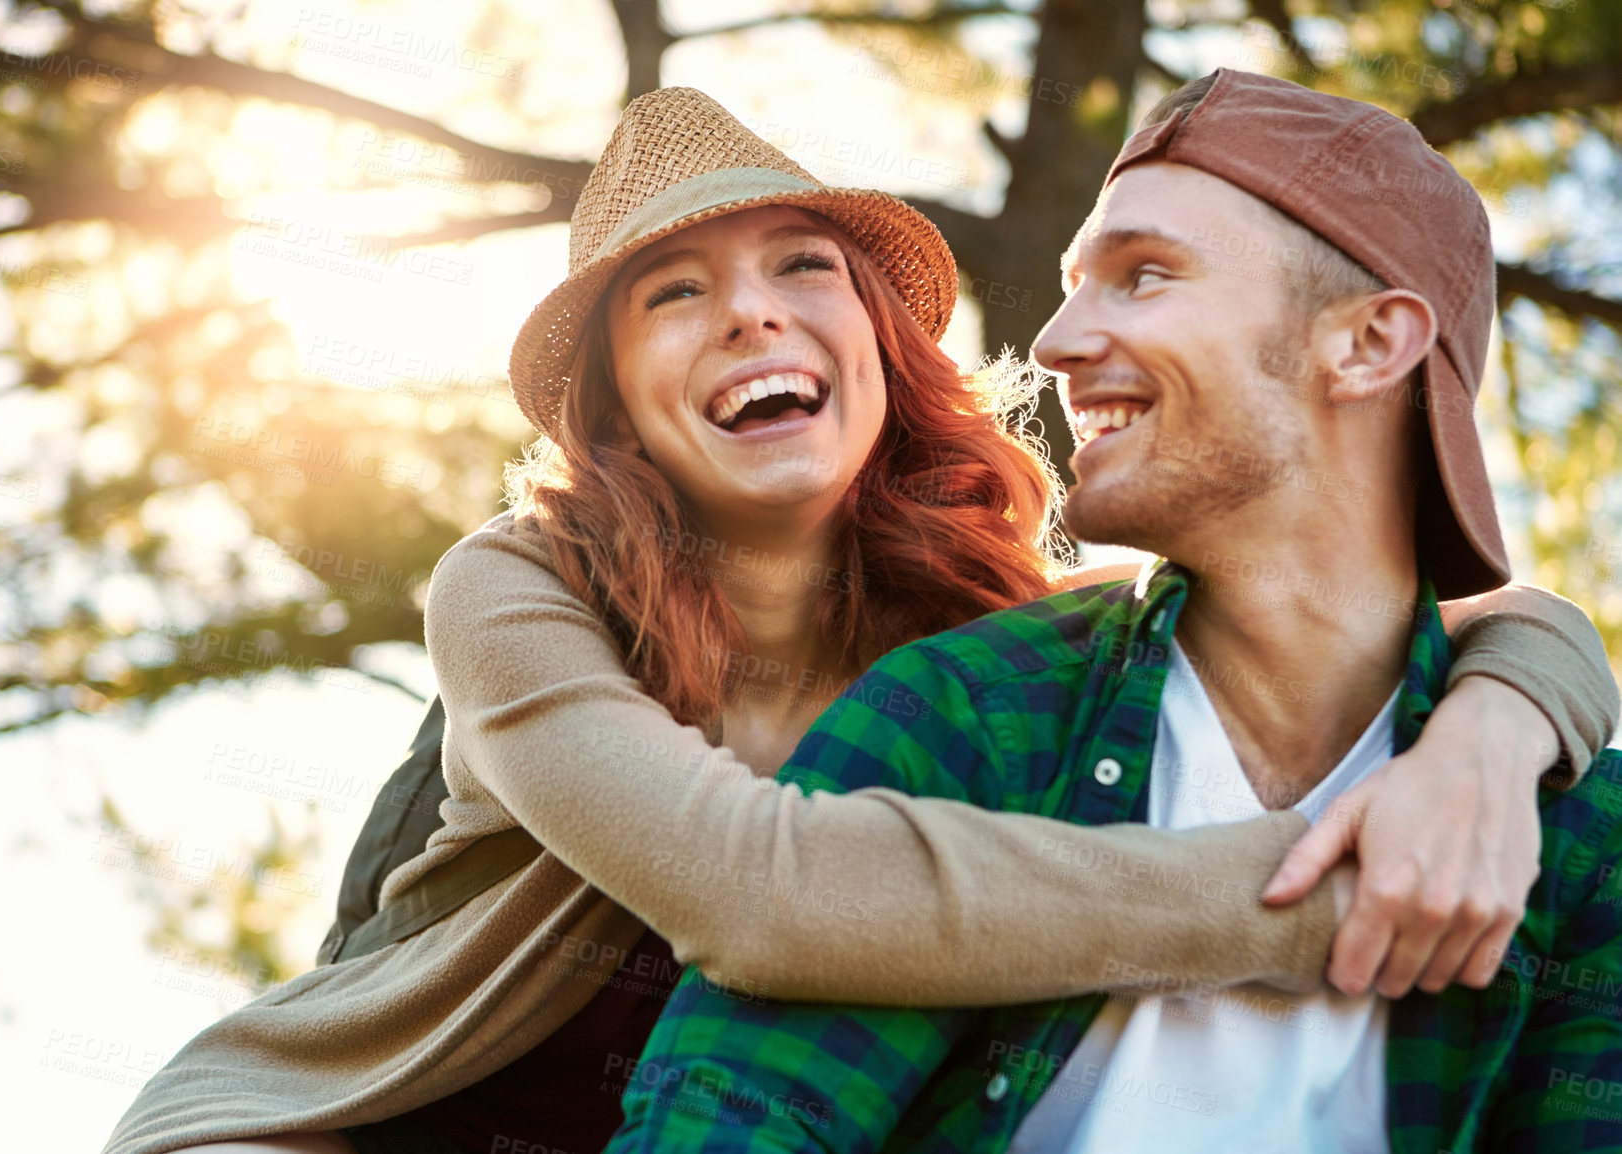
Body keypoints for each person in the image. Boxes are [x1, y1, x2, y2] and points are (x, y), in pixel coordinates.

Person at [103, 87, 1618, 1154]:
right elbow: (754, 893)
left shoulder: (1000, 638)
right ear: (620, 397)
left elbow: (1481, 612)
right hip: (365, 1123)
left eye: (798, 266)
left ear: (876, 343)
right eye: (672, 295)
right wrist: (1344, 901)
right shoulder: (519, 586)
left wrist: (1488, 741)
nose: (750, 312)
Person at [607, 70, 1622, 1153]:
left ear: (1369, 344)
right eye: (1073, 281)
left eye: (1142, 276)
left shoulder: (1575, 841)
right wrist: (1327, 903)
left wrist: (1503, 719)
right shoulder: (962, 719)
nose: (1053, 341)